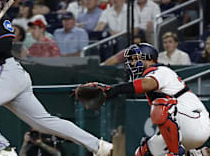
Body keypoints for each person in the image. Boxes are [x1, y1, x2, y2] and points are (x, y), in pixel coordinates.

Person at [0, 0, 113, 156]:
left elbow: (5, 46)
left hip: (6, 72)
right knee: (43, 123)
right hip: (1, 79)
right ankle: (100, 147)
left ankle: (2, 150)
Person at [80, 43, 210, 155]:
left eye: (135, 59)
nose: (132, 63)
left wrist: (113, 90)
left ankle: (177, 154)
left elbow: (147, 84)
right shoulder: (154, 73)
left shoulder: (161, 70)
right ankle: (195, 154)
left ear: (149, 58)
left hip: (195, 122)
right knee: (143, 151)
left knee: (160, 106)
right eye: (130, 60)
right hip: (183, 127)